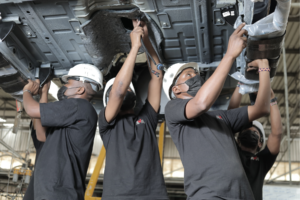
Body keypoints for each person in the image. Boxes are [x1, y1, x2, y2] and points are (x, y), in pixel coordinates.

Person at [163, 23, 272, 200]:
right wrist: (229, 55)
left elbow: (262, 108)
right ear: (176, 90)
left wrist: (264, 68)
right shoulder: (173, 109)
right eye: (189, 75)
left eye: (196, 74)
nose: (196, 77)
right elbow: (200, 104)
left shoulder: (221, 118)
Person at [98, 20, 168, 200]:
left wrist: (147, 43)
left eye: (130, 89)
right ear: (108, 100)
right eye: (122, 90)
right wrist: (135, 47)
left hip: (154, 196)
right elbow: (119, 90)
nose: (125, 89)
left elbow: (157, 77)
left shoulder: (147, 118)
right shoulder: (107, 124)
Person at [22, 64, 103, 200]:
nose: (64, 86)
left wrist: (26, 91)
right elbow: (42, 136)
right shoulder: (70, 116)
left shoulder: (79, 106)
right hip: (51, 192)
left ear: (80, 89)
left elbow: (31, 109)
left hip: (60, 193)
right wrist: (43, 93)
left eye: (68, 82)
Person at [228, 84, 282, 200]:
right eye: (246, 130)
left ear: (260, 143)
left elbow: (276, 134)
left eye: (255, 132)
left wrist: (272, 99)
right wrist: (241, 85)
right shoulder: (231, 151)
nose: (251, 132)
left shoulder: (263, 161)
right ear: (238, 139)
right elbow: (229, 118)